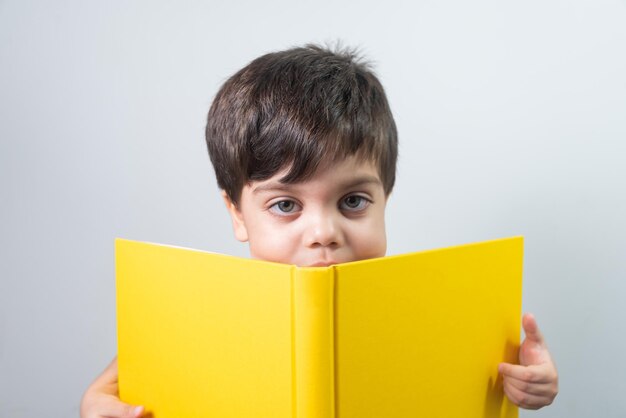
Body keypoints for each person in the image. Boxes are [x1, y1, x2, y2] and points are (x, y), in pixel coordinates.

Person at [80, 44, 558, 418]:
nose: (323, 233)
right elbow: (120, 399)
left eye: (353, 202)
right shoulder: (183, 331)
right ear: (237, 215)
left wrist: (526, 385)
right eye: (286, 205)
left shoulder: (439, 317)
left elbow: (485, 386)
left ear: (384, 200)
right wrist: (100, 407)